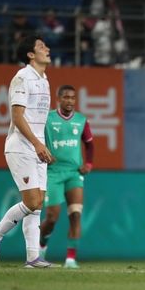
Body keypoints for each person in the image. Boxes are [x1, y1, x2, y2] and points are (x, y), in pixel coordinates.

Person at [0, 35, 54, 268]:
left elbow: (38, 120)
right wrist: (37, 144)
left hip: (38, 147)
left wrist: (44, 145)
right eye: (41, 46)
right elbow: (17, 116)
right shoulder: (22, 77)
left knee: (38, 203)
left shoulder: (44, 80)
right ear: (30, 54)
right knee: (32, 201)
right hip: (21, 147)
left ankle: (33, 257)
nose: (47, 48)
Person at [39, 85, 94, 269]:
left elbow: (89, 144)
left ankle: (70, 259)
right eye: (66, 97)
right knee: (52, 217)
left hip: (74, 173)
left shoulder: (81, 120)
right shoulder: (47, 119)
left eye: (72, 98)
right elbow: (36, 141)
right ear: (58, 99)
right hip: (53, 172)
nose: (70, 101)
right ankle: (41, 247)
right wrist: (44, 154)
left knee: (76, 214)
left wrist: (88, 164)